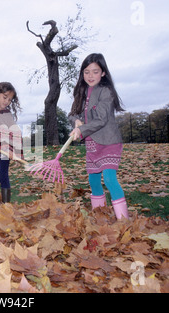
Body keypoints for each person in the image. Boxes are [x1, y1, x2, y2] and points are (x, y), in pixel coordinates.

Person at [68, 53, 129, 220]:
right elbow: (72, 113)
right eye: (86, 72)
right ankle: (100, 217)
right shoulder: (81, 92)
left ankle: (124, 221)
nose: (90, 76)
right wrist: (76, 121)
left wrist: (82, 130)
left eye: (95, 71)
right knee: (94, 181)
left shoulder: (106, 92)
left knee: (109, 178)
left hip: (109, 141)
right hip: (92, 144)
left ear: (103, 73)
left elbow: (101, 119)